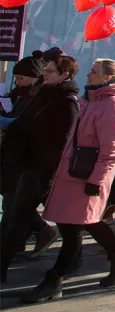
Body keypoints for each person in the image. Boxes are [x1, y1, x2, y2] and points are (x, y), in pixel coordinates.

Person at [22, 59, 115, 303]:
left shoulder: (110, 104)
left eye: (93, 72)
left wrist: (96, 180)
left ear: (107, 78)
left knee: (73, 229)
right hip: (71, 176)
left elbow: (114, 147)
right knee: (82, 223)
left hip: (87, 179)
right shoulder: (90, 100)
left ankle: (54, 280)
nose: (87, 75)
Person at [1, 51, 78, 281]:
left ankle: (81, 258)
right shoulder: (40, 93)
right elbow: (26, 122)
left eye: (50, 71)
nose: (45, 74)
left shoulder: (67, 101)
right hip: (28, 164)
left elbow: (62, 140)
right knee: (15, 217)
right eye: (45, 70)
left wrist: (18, 128)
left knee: (68, 226)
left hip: (44, 170)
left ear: (64, 75)